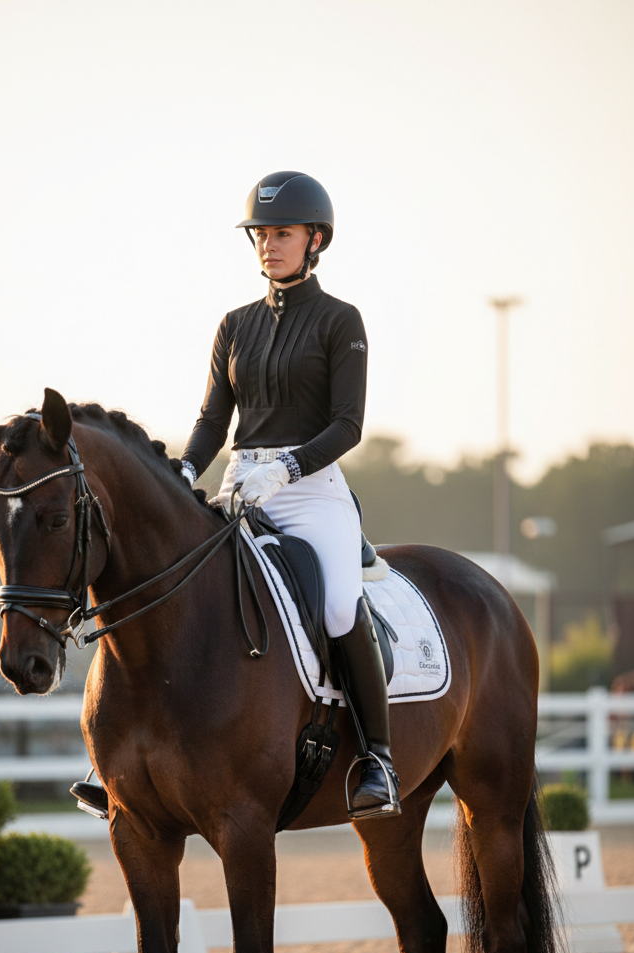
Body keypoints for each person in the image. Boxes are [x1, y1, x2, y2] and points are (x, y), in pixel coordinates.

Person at [72, 170, 400, 821]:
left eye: (282, 233)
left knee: (337, 606)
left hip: (311, 491)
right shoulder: (234, 325)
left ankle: (378, 759)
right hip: (239, 487)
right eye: (261, 234)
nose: (269, 245)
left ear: (315, 240)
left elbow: (348, 425)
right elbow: (210, 423)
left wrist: (288, 467)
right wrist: (181, 473)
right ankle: (118, 753)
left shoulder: (341, 321)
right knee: (176, 592)